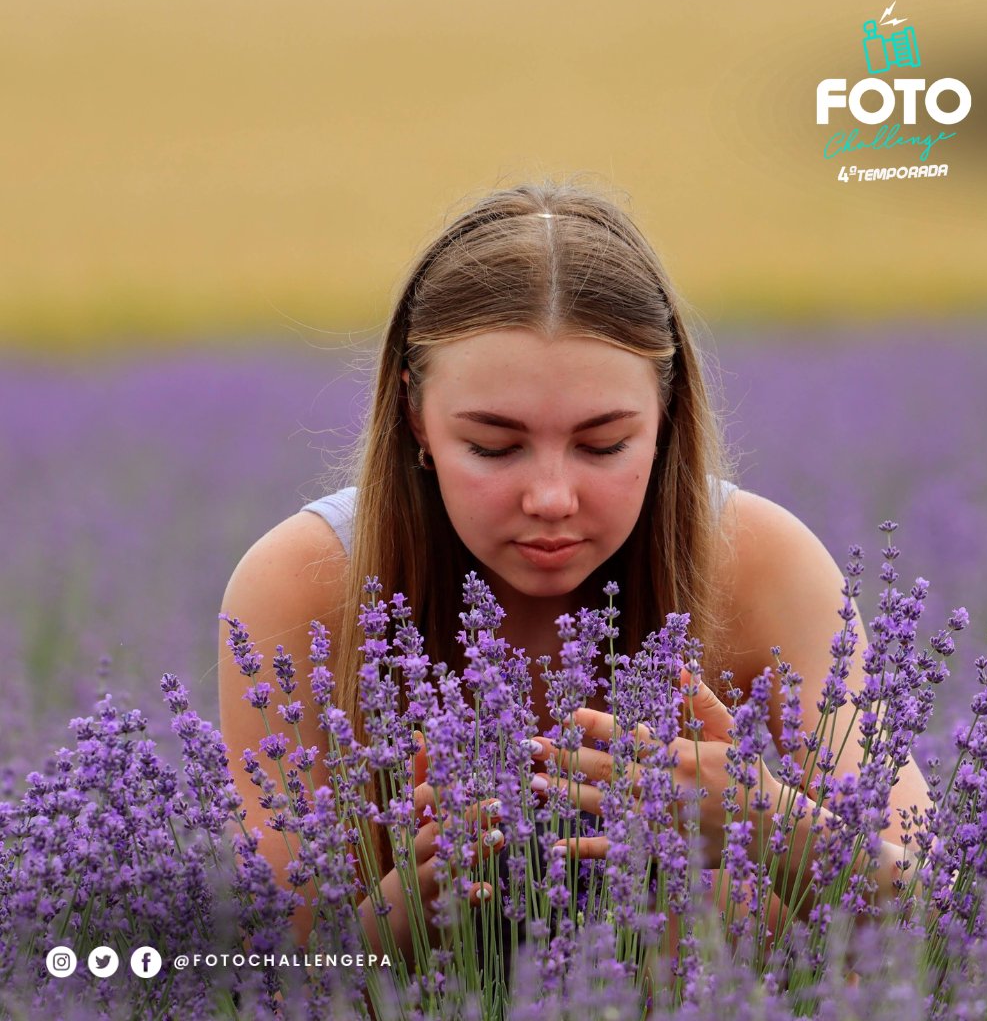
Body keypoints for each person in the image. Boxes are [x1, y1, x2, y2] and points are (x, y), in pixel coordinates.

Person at [217, 178, 931, 975]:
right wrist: (397, 922)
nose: (551, 498)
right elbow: (260, 976)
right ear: (416, 417)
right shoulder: (309, 584)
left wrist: (766, 822)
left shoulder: (761, 566)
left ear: (665, 418)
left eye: (602, 446)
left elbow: (937, 911)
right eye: (493, 446)